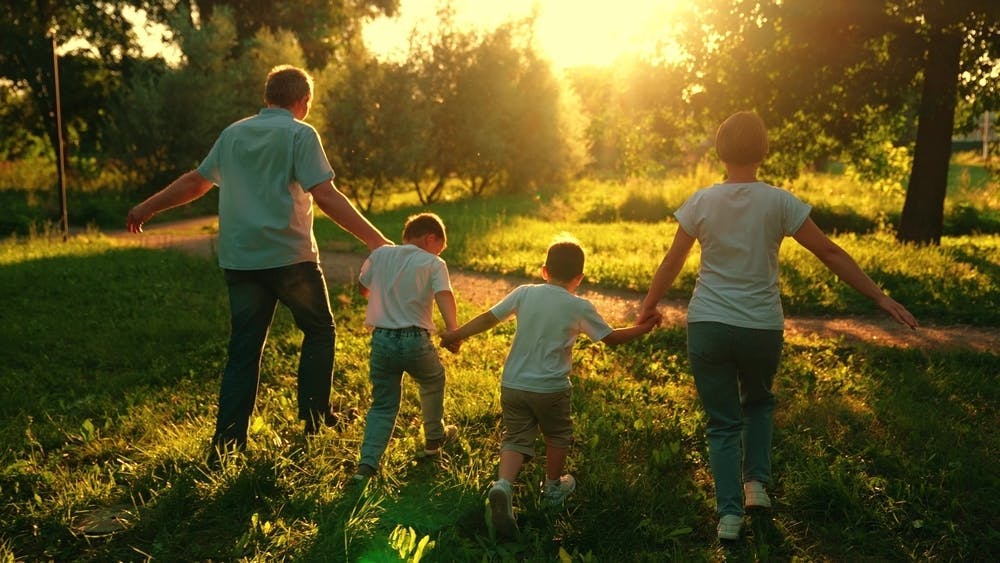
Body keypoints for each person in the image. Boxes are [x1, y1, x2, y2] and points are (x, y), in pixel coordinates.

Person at [636, 111, 918, 541]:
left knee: (722, 422)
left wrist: (649, 305)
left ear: (720, 150)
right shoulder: (780, 202)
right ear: (763, 151)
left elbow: (674, 259)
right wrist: (880, 297)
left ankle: (729, 517)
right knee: (758, 402)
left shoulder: (701, 201)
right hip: (760, 327)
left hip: (708, 323)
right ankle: (755, 486)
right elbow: (829, 252)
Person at [126, 65, 393, 459]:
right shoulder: (300, 134)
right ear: (304, 101)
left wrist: (147, 207)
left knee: (244, 350)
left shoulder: (233, 134)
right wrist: (376, 241)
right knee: (319, 331)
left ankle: (227, 443)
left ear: (268, 97)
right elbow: (325, 194)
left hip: (242, 261)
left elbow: (196, 181)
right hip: (291, 259)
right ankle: (316, 419)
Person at [440, 239, 660, 538]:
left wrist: (457, 334)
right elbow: (610, 338)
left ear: (545, 271)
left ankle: (503, 485)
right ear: (579, 278)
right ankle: (553, 488)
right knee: (557, 435)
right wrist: (644, 328)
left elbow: (489, 318)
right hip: (551, 388)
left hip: (514, 384)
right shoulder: (579, 306)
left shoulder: (524, 292)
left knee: (515, 437)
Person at [353, 212, 461, 482]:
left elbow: (363, 289)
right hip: (416, 340)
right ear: (430, 238)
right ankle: (434, 439)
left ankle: (366, 465)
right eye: (439, 248)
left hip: (382, 340)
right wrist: (453, 330)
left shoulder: (380, 254)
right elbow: (444, 294)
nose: (438, 253)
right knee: (432, 381)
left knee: (383, 404)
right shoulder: (433, 263)